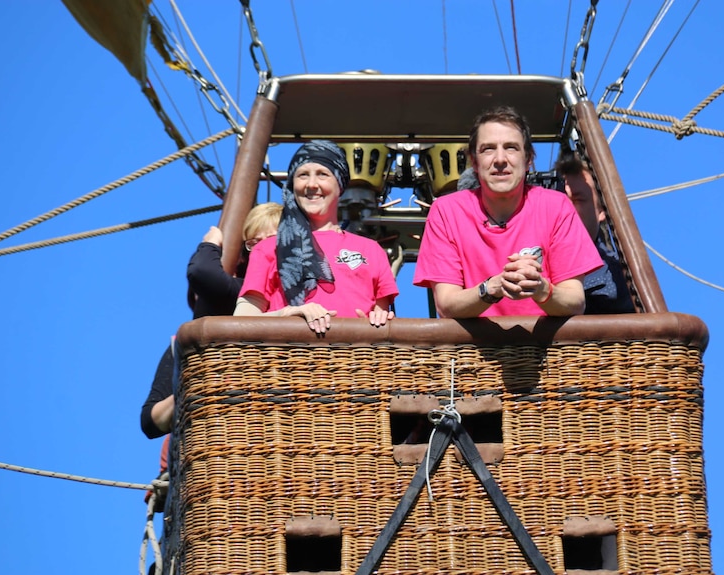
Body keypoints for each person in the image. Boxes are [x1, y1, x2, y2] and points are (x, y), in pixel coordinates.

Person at [413, 106, 603, 318]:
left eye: (511, 148)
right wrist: (492, 288)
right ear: (474, 162)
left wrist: (540, 289)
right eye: (488, 149)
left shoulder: (556, 206)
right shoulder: (446, 212)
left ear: (528, 159)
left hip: (546, 348)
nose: (500, 159)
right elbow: (447, 304)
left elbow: (575, 301)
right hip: (472, 350)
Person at [140, 202, 283, 440]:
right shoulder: (237, 295)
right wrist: (198, 384)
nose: (264, 250)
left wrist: (210, 243)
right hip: (222, 437)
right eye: (255, 243)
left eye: (273, 240)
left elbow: (202, 273)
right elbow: (150, 421)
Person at [234, 140, 398, 334]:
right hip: (287, 358)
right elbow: (242, 321)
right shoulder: (268, 248)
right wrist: (289, 314)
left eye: (322, 174)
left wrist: (378, 320)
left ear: (340, 185)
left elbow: (381, 313)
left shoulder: (371, 250)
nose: (311, 184)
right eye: (303, 175)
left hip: (355, 359)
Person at [553, 153, 635, 314]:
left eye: (578, 200)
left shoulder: (619, 281)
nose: (566, 208)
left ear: (601, 210)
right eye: (561, 199)